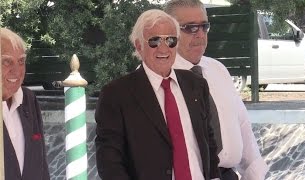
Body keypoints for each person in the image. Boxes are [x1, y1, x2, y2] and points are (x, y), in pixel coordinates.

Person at [95, 9, 221, 180]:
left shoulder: (196, 84)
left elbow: (209, 142)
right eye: (154, 41)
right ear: (139, 46)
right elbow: (109, 161)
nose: (163, 48)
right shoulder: (117, 94)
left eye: (170, 40)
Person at [163, 0, 269, 180]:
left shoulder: (218, 70)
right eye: (190, 28)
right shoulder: (154, 79)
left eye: (204, 26)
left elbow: (242, 126)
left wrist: (255, 174)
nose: (200, 35)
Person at [1, 28, 50, 179]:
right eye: (6, 62)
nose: (16, 71)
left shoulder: (29, 100)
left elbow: (41, 166)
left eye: (21, 61)